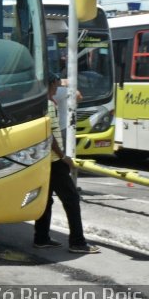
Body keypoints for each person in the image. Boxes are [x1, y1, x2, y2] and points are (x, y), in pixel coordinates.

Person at [33, 73, 101, 254]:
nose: (58, 85)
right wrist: (63, 156)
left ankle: (41, 238)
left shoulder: (41, 103)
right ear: (52, 83)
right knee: (71, 200)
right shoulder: (48, 104)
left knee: (46, 200)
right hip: (54, 161)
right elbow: (49, 135)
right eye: (57, 82)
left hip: (44, 161)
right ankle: (77, 242)